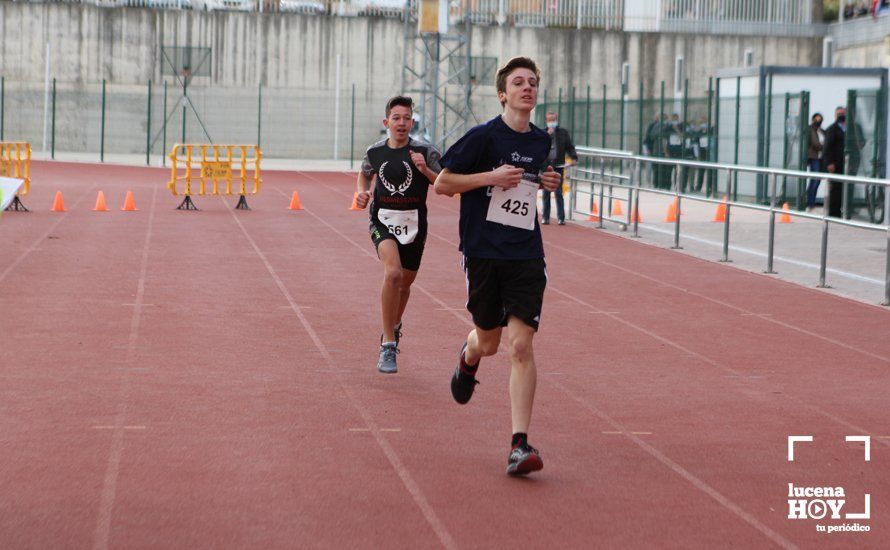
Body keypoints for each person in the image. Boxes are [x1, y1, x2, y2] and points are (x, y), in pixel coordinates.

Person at [433, 57, 561, 476]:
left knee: (520, 346)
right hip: (484, 253)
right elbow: (443, 183)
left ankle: (519, 445)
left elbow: (531, 181)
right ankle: (469, 356)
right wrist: (490, 177)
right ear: (503, 94)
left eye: (533, 83)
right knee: (489, 343)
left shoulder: (542, 141)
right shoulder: (482, 137)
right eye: (518, 83)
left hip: (525, 254)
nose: (528, 88)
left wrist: (546, 181)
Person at [355, 96, 442, 374]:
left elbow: (444, 184)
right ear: (387, 122)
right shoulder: (375, 152)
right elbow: (364, 174)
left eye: (406, 118)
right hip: (383, 220)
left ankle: (393, 325)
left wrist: (424, 169)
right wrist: (363, 193)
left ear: (412, 122)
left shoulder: (426, 152)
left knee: (404, 284)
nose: (401, 123)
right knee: (392, 274)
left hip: (415, 224)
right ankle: (388, 344)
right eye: (396, 118)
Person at [541, 111, 578, 225]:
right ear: (546, 121)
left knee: (558, 192)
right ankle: (545, 217)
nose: (552, 122)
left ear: (557, 120)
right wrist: (548, 135)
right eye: (550, 120)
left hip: (558, 166)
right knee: (546, 192)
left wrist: (573, 157)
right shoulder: (542, 133)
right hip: (546, 167)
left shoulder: (563, 133)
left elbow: (569, 147)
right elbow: (538, 147)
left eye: (553, 119)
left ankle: (561, 218)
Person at [823, 107, 847, 218]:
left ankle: (845, 210)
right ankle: (833, 213)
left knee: (845, 188)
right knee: (835, 188)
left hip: (848, 164)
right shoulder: (831, 129)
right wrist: (829, 163)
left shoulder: (850, 128)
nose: (841, 115)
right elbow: (827, 148)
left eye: (843, 113)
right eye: (839, 114)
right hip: (836, 163)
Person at [806, 113, 825, 212]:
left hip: (821, 158)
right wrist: (823, 145)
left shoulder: (821, 131)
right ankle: (811, 203)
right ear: (813, 119)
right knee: (814, 180)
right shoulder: (810, 129)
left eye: (820, 119)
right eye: (817, 119)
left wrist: (823, 144)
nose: (819, 121)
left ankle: (811, 202)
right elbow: (815, 144)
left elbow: (827, 141)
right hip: (814, 157)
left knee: (817, 180)